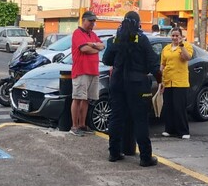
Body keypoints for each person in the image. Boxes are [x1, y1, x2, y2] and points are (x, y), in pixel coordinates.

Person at [103, 11, 161, 167]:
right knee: (140, 120)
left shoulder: (115, 39)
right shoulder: (141, 40)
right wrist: (161, 80)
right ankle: (145, 157)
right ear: (138, 23)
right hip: (137, 84)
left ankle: (114, 153)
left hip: (117, 82)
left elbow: (106, 59)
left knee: (116, 118)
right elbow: (153, 64)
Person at [69, 10, 104, 136]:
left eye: (94, 21)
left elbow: (102, 46)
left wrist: (92, 45)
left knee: (87, 99)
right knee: (78, 98)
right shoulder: (77, 33)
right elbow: (84, 49)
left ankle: (82, 125)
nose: (92, 24)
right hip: (81, 70)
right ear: (83, 20)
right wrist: (94, 48)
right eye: (90, 21)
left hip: (93, 71)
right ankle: (74, 126)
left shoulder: (92, 34)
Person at [159, 26, 193, 139]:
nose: (174, 38)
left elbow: (187, 57)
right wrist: (161, 79)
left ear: (181, 36)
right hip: (168, 80)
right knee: (169, 106)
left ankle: (183, 131)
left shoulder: (186, 46)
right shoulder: (166, 49)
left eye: (177, 35)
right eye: (173, 35)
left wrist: (181, 45)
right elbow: (163, 64)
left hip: (180, 82)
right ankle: (170, 129)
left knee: (179, 107)